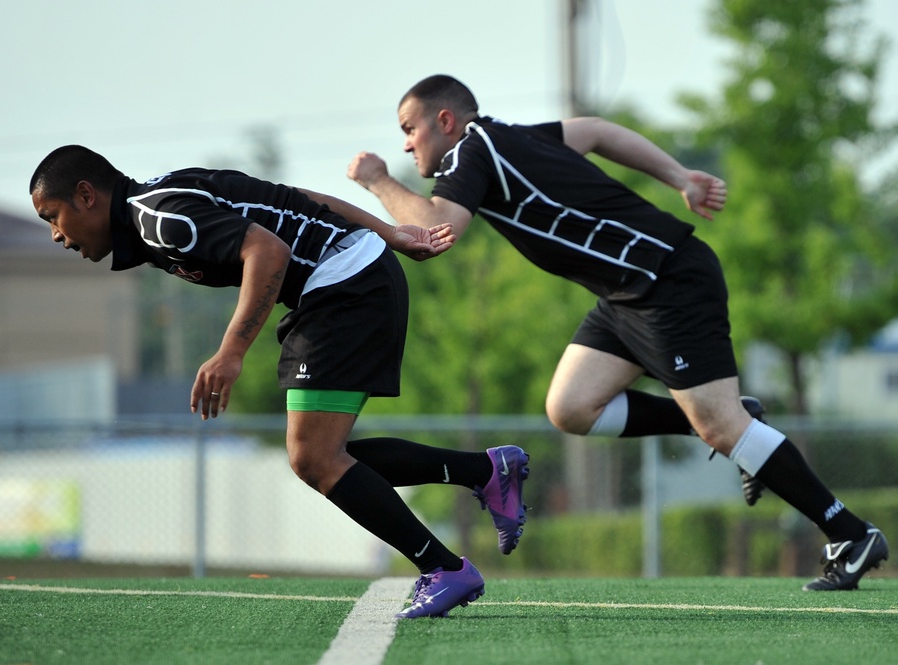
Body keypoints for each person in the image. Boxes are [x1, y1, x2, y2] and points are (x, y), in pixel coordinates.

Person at [346, 74, 888, 591]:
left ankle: (850, 533)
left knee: (722, 425)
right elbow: (599, 132)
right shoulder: (514, 137)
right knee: (572, 406)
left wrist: (377, 180)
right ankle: (730, 416)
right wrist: (679, 176)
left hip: (664, 279)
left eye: (409, 130)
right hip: (627, 292)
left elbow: (436, 231)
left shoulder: (471, 150)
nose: (408, 146)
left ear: (445, 120)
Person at [29, 145, 531, 618]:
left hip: (345, 286)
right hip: (349, 279)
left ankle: (445, 566)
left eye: (53, 217)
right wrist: (388, 232)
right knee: (319, 455)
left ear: (87, 195)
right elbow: (302, 200)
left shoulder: (160, 219)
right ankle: (486, 473)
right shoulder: (160, 202)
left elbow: (267, 251)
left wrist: (231, 352)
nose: (55, 233)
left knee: (314, 457)